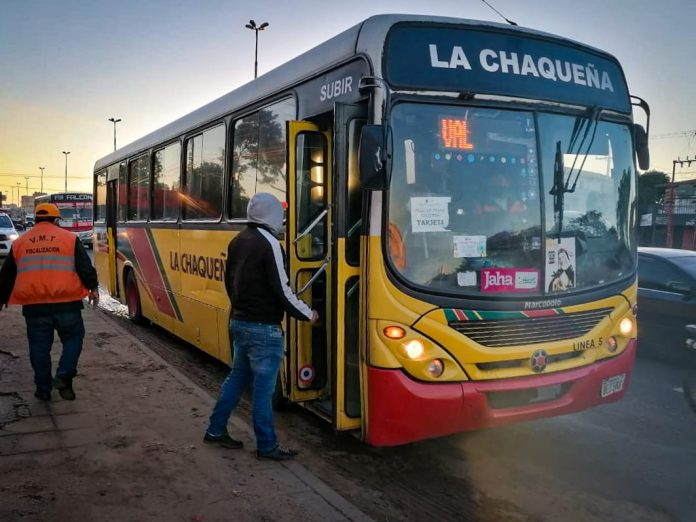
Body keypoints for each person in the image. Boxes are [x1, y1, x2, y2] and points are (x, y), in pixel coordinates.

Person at [204, 192, 318, 461]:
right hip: (264, 329)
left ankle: (215, 429)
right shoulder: (270, 244)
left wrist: (241, 310)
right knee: (263, 392)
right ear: (272, 215)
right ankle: (266, 446)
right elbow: (283, 290)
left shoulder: (238, 240)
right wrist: (308, 314)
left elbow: (229, 282)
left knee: (236, 379)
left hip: (239, 322)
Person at [0, 203, 99, 401]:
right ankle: (63, 376)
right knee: (73, 339)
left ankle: (43, 388)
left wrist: (2, 298)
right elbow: (85, 267)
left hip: (34, 307)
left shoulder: (20, 242)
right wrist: (93, 288)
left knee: (39, 348)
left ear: (35, 219)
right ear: (56, 220)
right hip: (67, 304)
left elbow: (7, 274)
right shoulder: (69, 239)